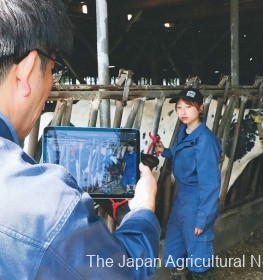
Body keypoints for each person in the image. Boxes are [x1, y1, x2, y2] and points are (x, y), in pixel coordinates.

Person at [0, 1, 160, 279]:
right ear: (25, 72)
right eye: (52, 69)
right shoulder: (48, 207)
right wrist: (144, 210)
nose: (51, 83)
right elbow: (120, 272)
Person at [155, 88, 221, 280]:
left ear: (200, 108)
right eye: (179, 107)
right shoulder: (185, 133)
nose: (183, 112)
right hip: (181, 199)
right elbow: (181, 153)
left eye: (189, 107)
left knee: (198, 252)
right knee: (175, 245)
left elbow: (210, 184)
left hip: (196, 200)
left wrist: (203, 218)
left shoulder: (205, 141)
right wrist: (165, 151)